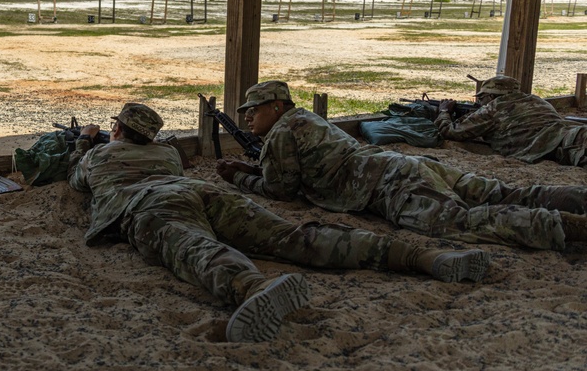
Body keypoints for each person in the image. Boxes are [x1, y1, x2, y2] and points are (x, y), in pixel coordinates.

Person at [67, 102, 489, 343]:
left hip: (148, 203)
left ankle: (255, 287)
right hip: (204, 192)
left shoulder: (100, 155)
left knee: (193, 248)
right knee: (293, 236)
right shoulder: (168, 155)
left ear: (117, 130)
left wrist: (86, 140)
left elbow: (76, 179)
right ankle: (419, 255)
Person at [216, 81, 587, 253]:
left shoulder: (282, 133)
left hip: (388, 185)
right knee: (500, 191)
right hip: (403, 164)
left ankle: (567, 229)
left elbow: (282, 191)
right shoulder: (305, 118)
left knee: (462, 223)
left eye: (254, 109)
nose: (248, 117)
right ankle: (578, 199)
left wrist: (242, 178)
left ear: (277, 107)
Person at [436, 75, 587, 167]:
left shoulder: (494, 108)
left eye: (482, 98)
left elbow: (451, 132)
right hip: (574, 133)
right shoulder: (536, 99)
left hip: (569, 145)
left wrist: (444, 112)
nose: (480, 103)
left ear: (492, 97)